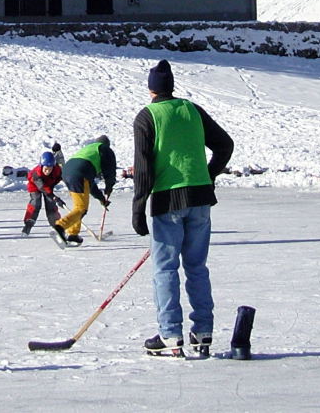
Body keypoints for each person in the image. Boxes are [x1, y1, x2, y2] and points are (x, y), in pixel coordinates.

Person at [132, 59, 233, 358]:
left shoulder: (146, 117)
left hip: (167, 201)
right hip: (200, 199)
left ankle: (170, 334)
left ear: (150, 88)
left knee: (165, 269)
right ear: (171, 87)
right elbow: (224, 145)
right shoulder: (192, 110)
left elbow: (144, 169)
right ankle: (203, 331)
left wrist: (138, 209)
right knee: (197, 267)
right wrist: (208, 174)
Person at [54, 135, 116, 246]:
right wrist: (109, 187)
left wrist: (101, 198)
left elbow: (89, 184)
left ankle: (73, 234)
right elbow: (110, 170)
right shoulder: (104, 149)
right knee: (81, 208)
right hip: (79, 174)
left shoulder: (90, 150)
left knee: (78, 206)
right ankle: (60, 226)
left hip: (67, 172)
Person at [22, 151, 62, 236]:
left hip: (48, 184)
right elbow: (42, 187)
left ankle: (56, 224)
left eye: (50, 169)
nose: (47, 171)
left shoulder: (57, 170)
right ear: (41, 166)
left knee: (51, 203)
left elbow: (60, 177)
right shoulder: (36, 174)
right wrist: (52, 195)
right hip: (35, 186)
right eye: (45, 169)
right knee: (36, 202)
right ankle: (28, 224)